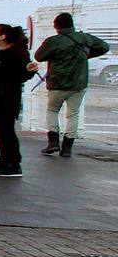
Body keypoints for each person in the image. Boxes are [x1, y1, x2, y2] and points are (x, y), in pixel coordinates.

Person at [29, 12, 109, 159]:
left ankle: (53, 141)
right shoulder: (84, 38)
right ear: (72, 24)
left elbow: (38, 56)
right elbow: (104, 46)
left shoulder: (53, 41)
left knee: (52, 110)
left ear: (56, 26)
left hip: (57, 83)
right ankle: (67, 147)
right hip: (78, 83)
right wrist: (87, 53)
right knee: (73, 114)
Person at [0, 24, 31, 178]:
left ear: (2, 36)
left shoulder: (15, 54)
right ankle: (4, 161)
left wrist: (30, 70)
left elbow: (21, 75)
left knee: (7, 131)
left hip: (7, 98)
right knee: (0, 131)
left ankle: (14, 164)